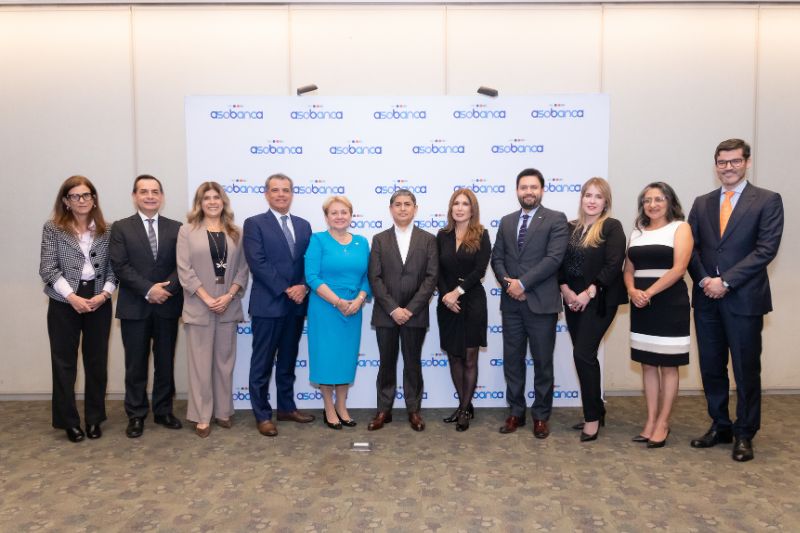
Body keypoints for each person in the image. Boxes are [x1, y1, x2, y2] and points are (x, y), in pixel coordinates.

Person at [687, 139, 784, 462]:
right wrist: (705, 280)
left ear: (747, 162)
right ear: (715, 165)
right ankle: (721, 425)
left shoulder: (767, 200)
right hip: (706, 298)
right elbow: (691, 248)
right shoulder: (702, 203)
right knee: (711, 367)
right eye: (722, 162)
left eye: (735, 161)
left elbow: (766, 250)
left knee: (745, 369)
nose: (728, 167)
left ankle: (745, 433)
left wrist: (726, 281)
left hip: (744, 299)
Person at [491, 168, 568, 438]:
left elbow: (553, 259)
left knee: (543, 363)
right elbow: (497, 258)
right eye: (523, 187)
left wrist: (522, 284)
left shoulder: (556, 219)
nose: (528, 192)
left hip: (541, 304)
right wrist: (509, 285)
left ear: (542, 190)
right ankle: (516, 412)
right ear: (517, 191)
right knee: (512, 361)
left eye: (533, 187)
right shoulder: (507, 221)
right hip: (511, 305)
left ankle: (541, 416)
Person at [39, 176, 115, 442]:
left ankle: (94, 419)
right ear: (66, 201)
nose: (81, 200)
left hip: (99, 300)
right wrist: (72, 297)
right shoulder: (53, 228)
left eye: (86, 195)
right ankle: (68, 421)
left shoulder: (107, 230)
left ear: (94, 199)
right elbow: (47, 268)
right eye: (75, 196)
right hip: (64, 302)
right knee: (64, 363)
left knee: (97, 363)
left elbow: (114, 269)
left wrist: (104, 294)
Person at [110, 174, 184, 438]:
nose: (150, 196)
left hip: (167, 305)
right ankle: (136, 414)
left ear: (161, 197)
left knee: (165, 362)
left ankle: (163, 410)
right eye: (144, 191)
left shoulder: (177, 228)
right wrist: (149, 290)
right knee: (135, 364)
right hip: (135, 306)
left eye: (155, 191)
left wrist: (166, 290)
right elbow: (120, 266)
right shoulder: (120, 228)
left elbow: (183, 266)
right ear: (134, 196)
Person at [242, 173, 315, 437]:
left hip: (296, 306)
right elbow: (257, 262)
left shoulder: (304, 225)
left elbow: (310, 262)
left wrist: (304, 286)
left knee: (287, 361)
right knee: (261, 364)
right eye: (275, 190)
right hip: (268, 305)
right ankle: (262, 415)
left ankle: (286, 408)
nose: (281, 194)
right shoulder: (254, 224)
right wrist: (286, 289)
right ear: (266, 194)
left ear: (292, 194)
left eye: (286, 190)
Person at [177, 182, 250, 438]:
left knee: (224, 363)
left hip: (228, 305)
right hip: (200, 305)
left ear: (223, 202)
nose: (212, 202)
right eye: (206, 198)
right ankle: (202, 416)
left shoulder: (236, 232)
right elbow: (184, 270)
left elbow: (242, 269)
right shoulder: (187, 231)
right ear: (199, 203)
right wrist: (208, 298)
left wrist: (229, 296)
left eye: (216, 197)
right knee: (200, 366)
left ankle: (223, 411)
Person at [624, 182, 693, 448]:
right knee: (648, 364)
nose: (652, 205)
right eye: (647, 200)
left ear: (670, 202)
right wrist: (632, 290)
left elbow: (679, 268)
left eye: (659, 199)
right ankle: (651, 420)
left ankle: (663, 422)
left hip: (669, 302)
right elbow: (628, 269)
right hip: (641, 304)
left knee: (669, 365)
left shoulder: (680, 228)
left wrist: (649, 292)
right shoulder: (637, 232)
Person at [558, 177, 627, 442]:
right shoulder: (570, 227)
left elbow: (614, 264)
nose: (592, 200)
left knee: (582, 354)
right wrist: (566, 290)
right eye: (588, 195)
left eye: (598, 196)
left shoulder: (611, 226)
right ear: (582, 198)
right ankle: (597, 408)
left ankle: (592, 418)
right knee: (587, 356)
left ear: (605, 201)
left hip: (599, 301)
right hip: (572, 300)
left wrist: (589, 292)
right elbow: (558, 263)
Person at [367, 189, 438, 432]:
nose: (403, 208)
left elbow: (431, 278)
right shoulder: (379, 239)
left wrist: (409, 309)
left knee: (412, 364)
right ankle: (383, 410)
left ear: (415, 209)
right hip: (386, 314)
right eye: (398, 204)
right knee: (386, 363)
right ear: (391, 209)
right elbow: (375, 278)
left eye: (408, 204)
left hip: (415, 314)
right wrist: (393, 309)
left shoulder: (428, 239)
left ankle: (413, 410)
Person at [304, 196, 370, 430]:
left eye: (344, 212)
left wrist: (359, 300)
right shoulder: (318, 240)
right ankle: (328, 408)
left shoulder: (362, 242)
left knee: (345, 358)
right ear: (326, 217)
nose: (339, 216)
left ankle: (341, 406)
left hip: (353, 308)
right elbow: (311, 276)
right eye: (334, 212)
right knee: (325, 357)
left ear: (351, 215)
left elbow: (368, 277)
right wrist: (338, 302)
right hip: (325, 308)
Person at [436, 188, 491, 432]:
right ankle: (464, 406)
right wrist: (446, 296)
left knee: (469, 357)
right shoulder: (443, 235)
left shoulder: (482, 234)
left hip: (472, 301)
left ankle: (464, 409)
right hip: (447, 303)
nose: (459, 208)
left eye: (465, 204)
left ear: (472, 209)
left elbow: (479, 270)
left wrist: (457, 292)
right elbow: (436, 270)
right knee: (454, 356)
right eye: (456, 203)